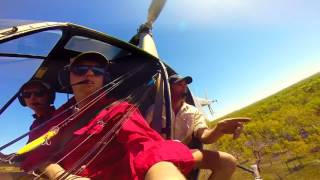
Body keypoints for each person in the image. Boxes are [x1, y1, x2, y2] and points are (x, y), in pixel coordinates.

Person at [20, 52, 195, 180]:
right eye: (80, 69)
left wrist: (162, 170)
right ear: (68, 77)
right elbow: (39, 156)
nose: (89, 74)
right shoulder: (57, 118)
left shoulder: (119, 109)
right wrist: (60, 175)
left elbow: (146, 146)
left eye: (97, 71)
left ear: (104, 78)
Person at [146, 74, 251, 180]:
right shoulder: (154, 109)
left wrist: (219, 130)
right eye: (179, 84)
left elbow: (205, 136)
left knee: (228, 162)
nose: (184, 87)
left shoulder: (193, 111)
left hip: (182, 154)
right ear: (168, 88)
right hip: (158, 155)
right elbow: (142, 135)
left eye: (185, 85)